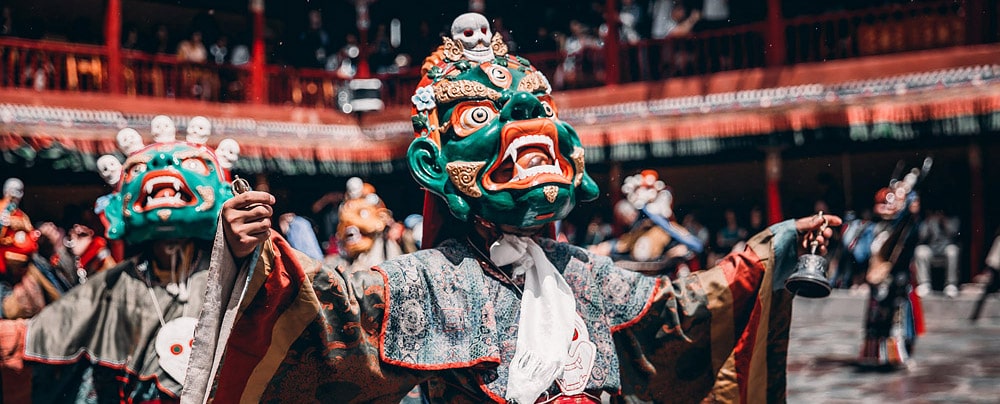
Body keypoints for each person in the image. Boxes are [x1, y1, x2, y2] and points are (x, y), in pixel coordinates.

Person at [184, 13, 839, 403]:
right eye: (479, 115)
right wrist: (252, 257)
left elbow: (678, 320)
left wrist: (772, 249)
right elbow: (325, 317)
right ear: (434, 164)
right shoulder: (423, 281)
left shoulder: (579, 271)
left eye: (538, 111)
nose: (525, 123)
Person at [15, 124, 239, 402]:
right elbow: (57, 324)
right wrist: (15, 338)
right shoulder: (118, 281)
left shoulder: (230, 273)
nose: (161, 165)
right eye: (137, 169)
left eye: (192, 163)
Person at [855, 167, 927, 370]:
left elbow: (912, 236)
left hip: (899, 280)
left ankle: (899, 355)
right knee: (876, 322)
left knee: (900, 321)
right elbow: (862, 254)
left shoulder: (904, 226)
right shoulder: (871, 229)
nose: (887, 208)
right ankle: (875, 356)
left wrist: (910, 206)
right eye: (883, 205)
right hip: (878, 281)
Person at [913, 207, 961, 297]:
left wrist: (943, 221)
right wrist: (928, 221)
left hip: (946, 248)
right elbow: (921, 236)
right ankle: (924, 284)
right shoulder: (930, 220)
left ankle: (951, 285)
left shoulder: (953, 219)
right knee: (921, 250)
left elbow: (954, 232)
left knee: (953, 250)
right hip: (932, 250)